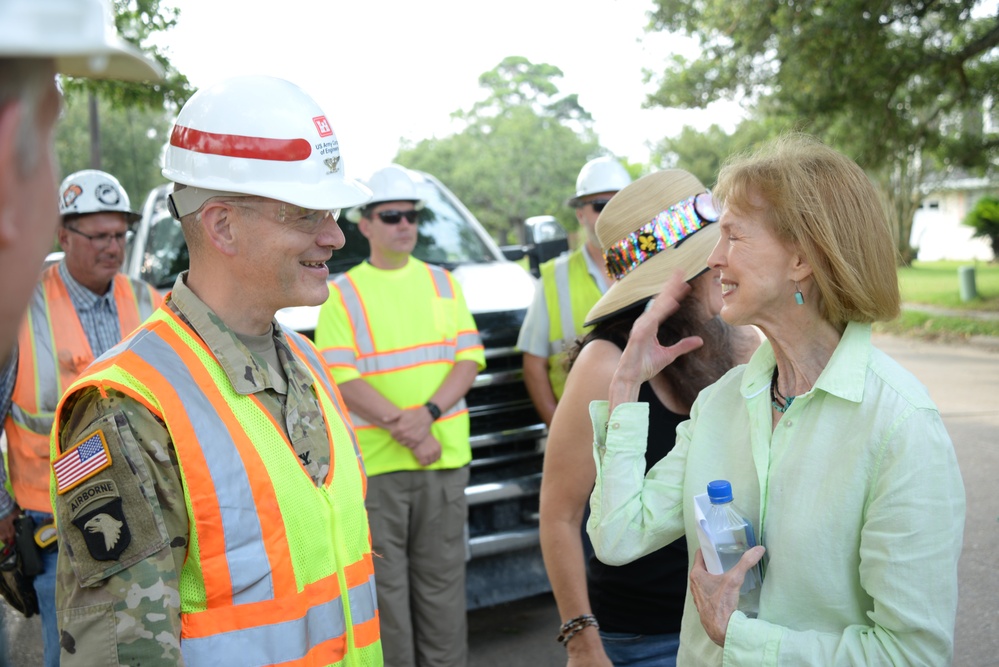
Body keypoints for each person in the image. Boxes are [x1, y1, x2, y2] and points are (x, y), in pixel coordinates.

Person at [586, 134, 966, 665]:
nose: (714, 259)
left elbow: (911, 654)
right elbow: (617, 537)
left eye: (734, 237)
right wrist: (626, 389)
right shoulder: (720, 403)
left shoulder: (901, 425)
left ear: (802, 259)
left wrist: (740, 640)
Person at [49, 75, 382, 666]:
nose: (334, 236)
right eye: (306, 214)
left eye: (330, 213)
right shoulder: (128, 407)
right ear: (222, 225)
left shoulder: (307, 362)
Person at [540, 170, 760, 667]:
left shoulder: (740, 342)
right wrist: (582, 639)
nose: (726, 263)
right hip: (641, 640)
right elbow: (559, 513)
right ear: (675, 279)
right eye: (711, 256)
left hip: (730, 624)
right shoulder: (606, 363)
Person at [315, 164, 485, 667]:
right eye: (391, 216)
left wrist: (426, 416)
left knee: (443, 593)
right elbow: (342, 379)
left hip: (442, 462)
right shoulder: (341, 293)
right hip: (378, 471)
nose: (404, 225)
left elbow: (468, 359)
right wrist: (412, 429)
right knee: (385, 600)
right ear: (364, 224)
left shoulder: (443, 283)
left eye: (411, 216)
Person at [0, 169, 162, 664]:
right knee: (70, 654)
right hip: (56, 528)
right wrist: (2, 511)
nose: (112, 247)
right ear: (63, 235)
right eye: (98, 236)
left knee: (145, 648)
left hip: (147, 517)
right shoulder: (18, 309)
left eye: (120, 235)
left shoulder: (150, 302)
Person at [518, 156, 632, 427]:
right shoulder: (553, 278)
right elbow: (534, 368)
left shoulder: (657, 269)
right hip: (581, 437)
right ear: (580, 214)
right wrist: (561, 434)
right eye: (600, 205)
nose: (610, 214)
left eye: (619, 203)